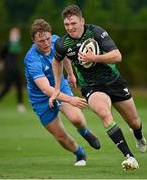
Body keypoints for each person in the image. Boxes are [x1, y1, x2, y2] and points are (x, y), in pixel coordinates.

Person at [50, 4, 147, 170]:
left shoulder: (95, 32)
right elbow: (57, 61)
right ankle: (129, 156)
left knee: (134, 121)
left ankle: (138, 135)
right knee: (104, 113)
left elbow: (117, 56)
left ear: (82, 21)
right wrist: (59, 86)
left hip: (114, 81)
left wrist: (93, 57)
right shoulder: (62, 43)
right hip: (91, 86)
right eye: (67, 25)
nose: (70, 28)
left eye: (73, 23)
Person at [24, 19, 101, 166]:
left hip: (60, 85)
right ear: (33, 40)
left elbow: (64, 56)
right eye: (41, 41)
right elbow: (46, 89)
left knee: (76, 119)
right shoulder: (31, 60)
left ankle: (84, 132)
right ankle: (79, 153)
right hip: (41, 98)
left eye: (47, 38)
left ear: (51, 35)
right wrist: (70, 99)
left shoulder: (56, 41)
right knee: (60, 136)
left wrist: (70, 74)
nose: (46, 43)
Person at [0, 27, 25, 112]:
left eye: (17, 33)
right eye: (14, 33)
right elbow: (1, 55)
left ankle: (20, 105)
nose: (16, 35)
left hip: (16, 69)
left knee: (19, 86)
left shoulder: (18, 45)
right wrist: (1, 64)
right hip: (8, 68)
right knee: (7, 86)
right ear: (11, 34)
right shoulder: (6, 44)